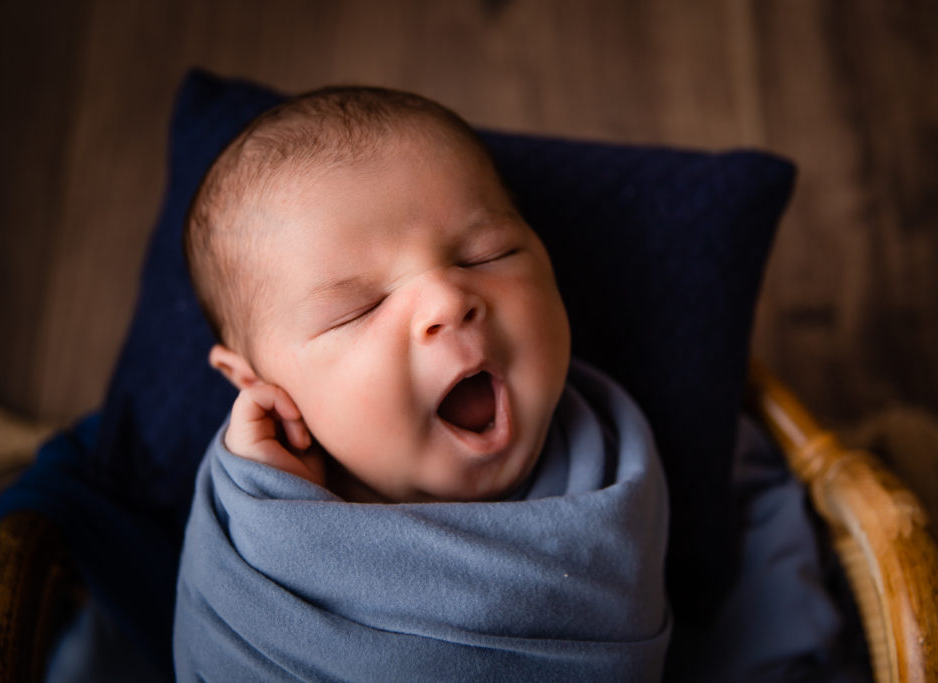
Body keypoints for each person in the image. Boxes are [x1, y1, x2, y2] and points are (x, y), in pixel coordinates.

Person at [174, 85, 672, 681]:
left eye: (487, 254)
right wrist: (282, 508)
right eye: (358, 309)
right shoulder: (259, 528)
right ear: (256, 382)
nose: (447, 300)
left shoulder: (611, 458)